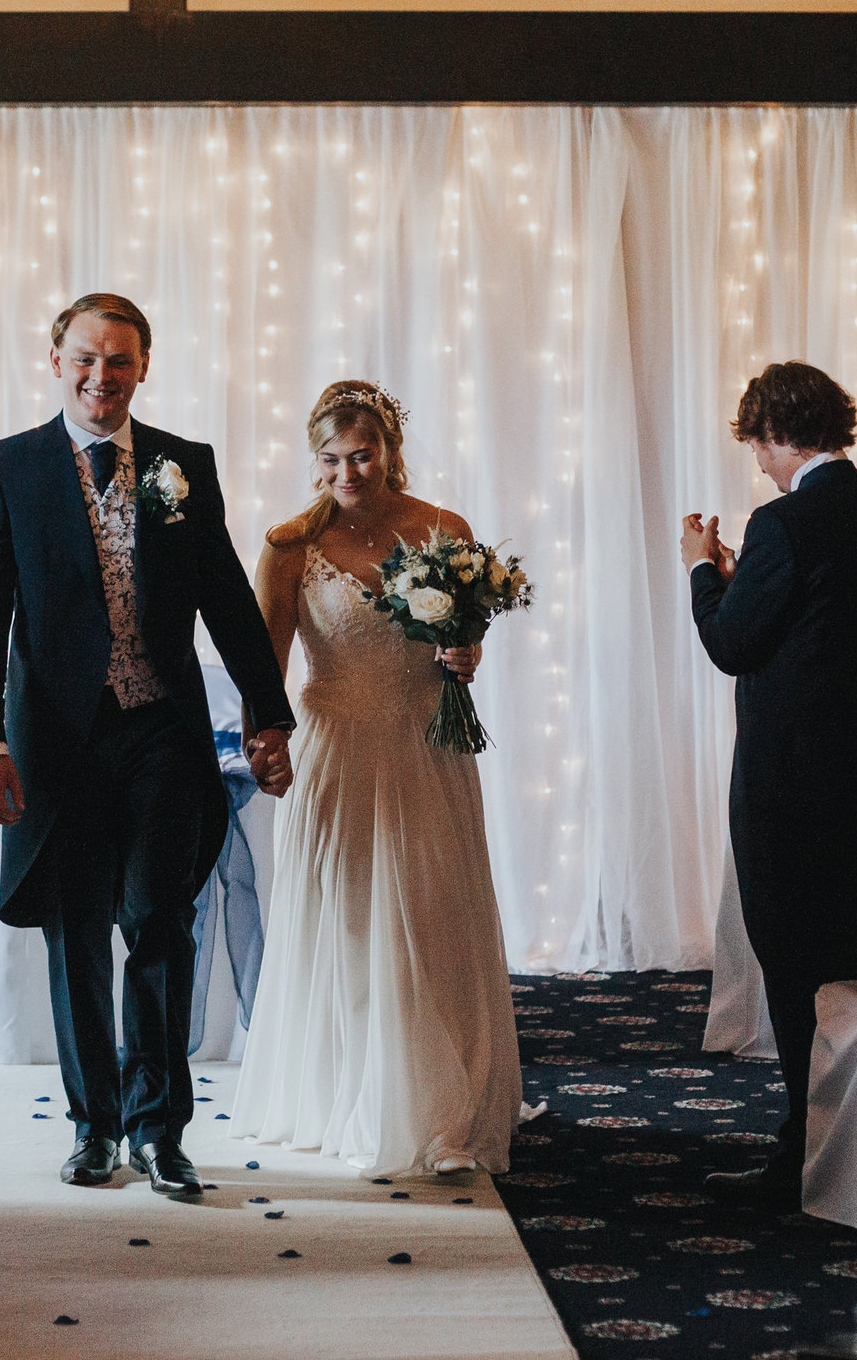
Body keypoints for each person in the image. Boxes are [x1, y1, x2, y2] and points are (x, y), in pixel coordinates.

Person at [0, 293, 294, 1197]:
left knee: (158, 920)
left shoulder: (183, 465)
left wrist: (270, 711)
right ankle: (93, 1126)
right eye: (84, 359)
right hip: (59, 744)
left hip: (159, 733)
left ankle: (159, 1129)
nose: (100, 377)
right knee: (76, 938)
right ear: (56, 359)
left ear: (143, 367)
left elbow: (225, 593)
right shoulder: (9, 468)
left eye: (119, 361)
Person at [233, 380, 521, 1177]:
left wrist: (465, 655)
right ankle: (355, 1096)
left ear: (389, 449)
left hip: (428, 747)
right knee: (352, 922)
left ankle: (442, 1106)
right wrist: (268, 742)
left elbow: (462, 638)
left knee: (430, 916)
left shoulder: (443, 529)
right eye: (330, 458)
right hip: (339, 751)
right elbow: (267, 661)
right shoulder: (290, 545)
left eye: (361, 455)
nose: (346, 472)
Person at [683, 361, 857, 1210]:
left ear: (779, 432)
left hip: (790, 770)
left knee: (794, 959)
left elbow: (731, 645)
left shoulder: (783, 519)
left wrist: (704, 570)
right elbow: (823, 626)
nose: (759, 465)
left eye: (758, 445)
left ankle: (803, 1148)